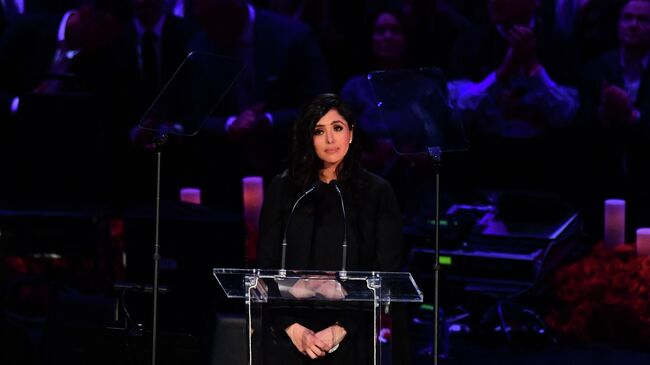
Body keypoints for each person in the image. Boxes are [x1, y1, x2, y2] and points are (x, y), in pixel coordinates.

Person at [257, 93, 405, 364]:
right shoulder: (284, 188)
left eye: (337, 128)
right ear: (308, 138)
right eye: (319, 131)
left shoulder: (377, 192)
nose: (330, 140)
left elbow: (387, 273)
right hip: (289, 336)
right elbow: (266, 266)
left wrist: (340, 329)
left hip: (352, 336)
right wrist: (293, 328)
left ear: (351, 133)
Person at [578, 0, 650, 242]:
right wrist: (603, 114)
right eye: (627, 18)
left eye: (643, 20)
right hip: (603, 184)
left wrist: (633, 116)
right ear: (617, 24)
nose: (634, 25)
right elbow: (577, 129)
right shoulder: (595, 69)